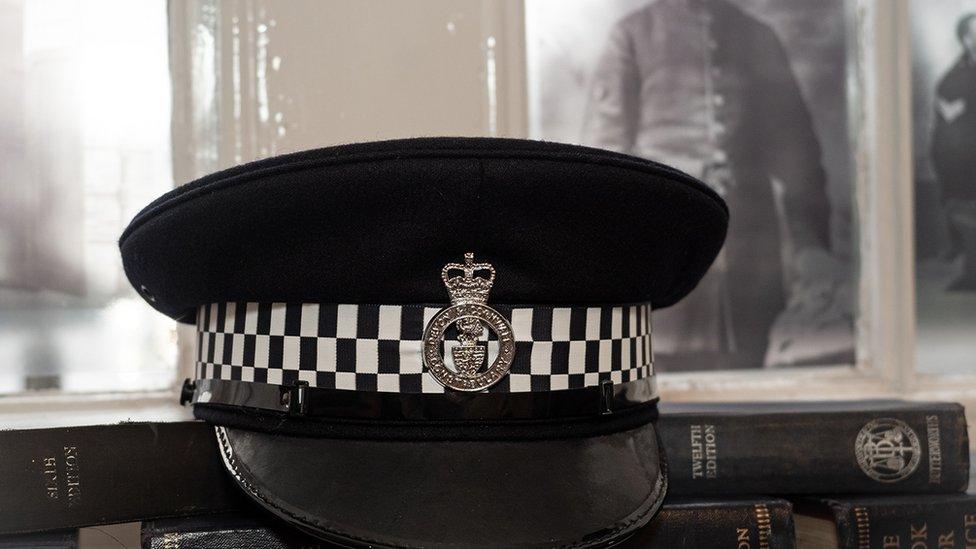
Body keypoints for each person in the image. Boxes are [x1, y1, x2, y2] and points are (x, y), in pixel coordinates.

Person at [584, 0, 834, 369]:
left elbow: (798, 155)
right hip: (665, 245)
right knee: (659, 375)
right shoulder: (633, 34)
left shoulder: (757, 37)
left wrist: (811, 246)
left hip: (750, 256)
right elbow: (603, 161)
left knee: (746, 375)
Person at [931, 12, 976, 291]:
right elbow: (950, 118)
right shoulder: (956, 79)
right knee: (966, 210)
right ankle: (971, 272)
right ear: (968, 41)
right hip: (963, 159)